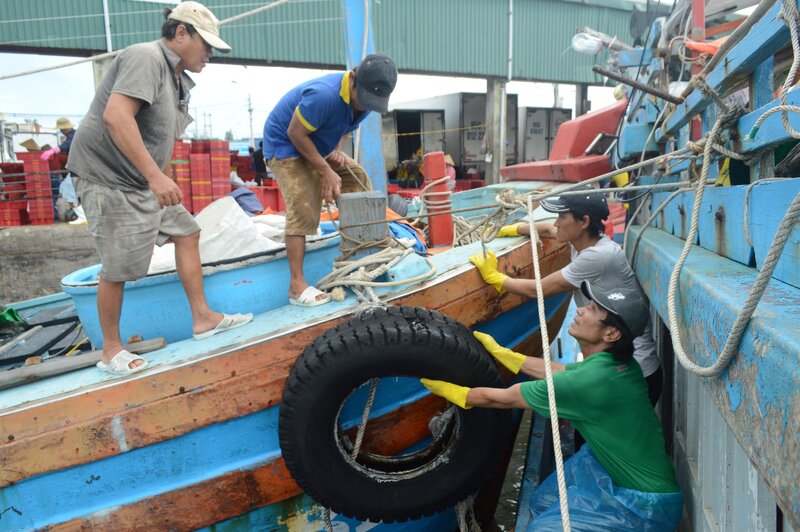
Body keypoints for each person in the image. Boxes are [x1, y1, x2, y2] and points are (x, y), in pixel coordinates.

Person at [66, 1, 252, 375]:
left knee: (187, 231)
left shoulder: (178, 77)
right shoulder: (146, 57)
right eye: (207, 44)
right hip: (107, 177)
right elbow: (116, 116)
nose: (210, 54)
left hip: (138, 179)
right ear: (180, 32)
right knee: (118, 266)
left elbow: (157, 134)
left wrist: (159, 175)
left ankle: (202, 318)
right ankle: (112, 351)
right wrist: (155, 177)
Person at [421, 281, 683, 531]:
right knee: (542, 502)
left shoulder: (589, 383)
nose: (581, 309)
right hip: (627, 473)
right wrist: (507, 356)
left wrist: (446, 389)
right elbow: (559, 371)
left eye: (592, 310)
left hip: (645, 507)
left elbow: (502, 398)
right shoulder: (618, 366)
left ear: (611, 333)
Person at [470, 184, 663, 407]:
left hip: (634, 373)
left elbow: (538, 289)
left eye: (562, 216)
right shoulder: (582, 240)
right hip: (609, 367)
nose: (556, 222)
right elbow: (547, 230)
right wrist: (511, 229)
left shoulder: (597, 257)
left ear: (584, 222)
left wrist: (494, 277)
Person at [262, 52, 398, 306]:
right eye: (364, 98)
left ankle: (362, 255)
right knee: (303, 204)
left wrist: (336, 150)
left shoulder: (367, 100)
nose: (365, 105)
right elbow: (295, 133)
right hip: (286, 146)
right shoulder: (323, 96)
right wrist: (324, 170)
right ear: (353, 79)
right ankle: (296, 286)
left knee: (356, 178)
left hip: (317, 144)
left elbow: (347, 127)